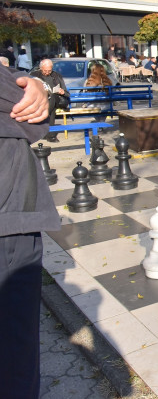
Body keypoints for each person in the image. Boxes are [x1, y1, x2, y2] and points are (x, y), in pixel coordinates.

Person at [1, 65, 61, 399]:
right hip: (8, 227)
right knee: (14, 356)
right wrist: (38, 86)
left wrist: (38, 82)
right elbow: (34, 121)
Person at [30, 58, 70, 142]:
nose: (47, 73)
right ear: (41, 68)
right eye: (45, 71)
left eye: (49, 71)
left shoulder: (56, 76)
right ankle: (50, 135)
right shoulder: (34, 75)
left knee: (51, 99)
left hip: (54, 100)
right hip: (39, 101)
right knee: (49, 105)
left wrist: (62, 92)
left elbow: (67, 93)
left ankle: (49, 134)